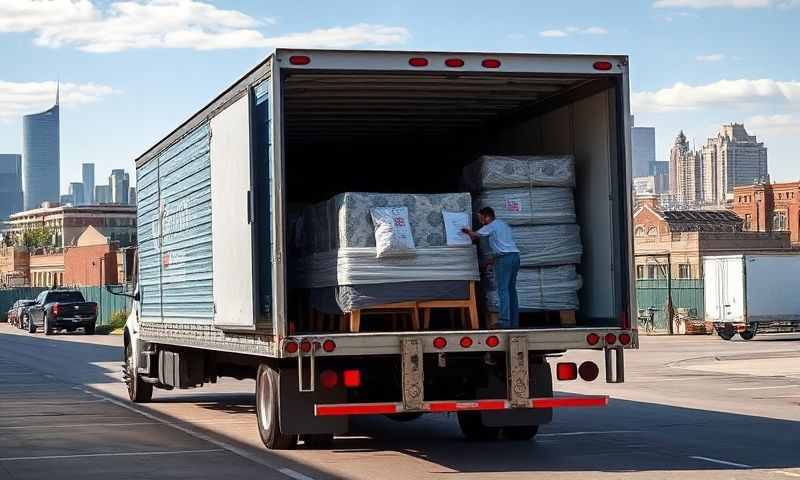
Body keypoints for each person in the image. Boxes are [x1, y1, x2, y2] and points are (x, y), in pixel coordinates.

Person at [462, 207, 521, 329]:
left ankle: (504, 321)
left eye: (481, 218)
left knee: (503, 289)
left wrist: (465, 231)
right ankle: (514, 322)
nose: (480, 221)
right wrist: (492, 260)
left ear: (487, 216)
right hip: (514, 257)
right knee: (511, 290)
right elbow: (503, 244)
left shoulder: (492, 225)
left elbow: (475, 235)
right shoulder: (503, 224)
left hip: (504, 259)